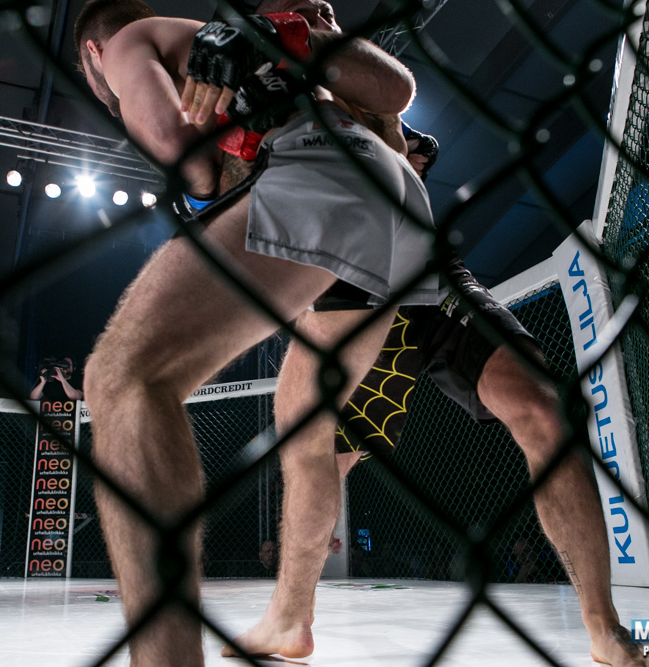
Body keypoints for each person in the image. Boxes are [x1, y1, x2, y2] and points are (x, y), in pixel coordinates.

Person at [218, 3, 649, 667]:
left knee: (543, 408)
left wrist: (321, 45)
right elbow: (228, 205)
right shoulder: (242, 98)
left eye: (319, 9)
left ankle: (603, 626)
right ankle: (288, 619)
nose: (318, 11)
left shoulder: (348, 80)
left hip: (421, 279)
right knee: (317, 463)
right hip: (335, 295)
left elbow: (393, 130)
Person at [74, 1, 438, 665]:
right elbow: (396, 91)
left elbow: (180, 150)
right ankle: (290, 621)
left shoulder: (129, 42)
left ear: (92, 55)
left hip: (320, 174)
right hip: (399, 199)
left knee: (124, 377)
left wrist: (203, 189)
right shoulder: (255, 41)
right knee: (307, 432)